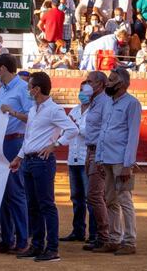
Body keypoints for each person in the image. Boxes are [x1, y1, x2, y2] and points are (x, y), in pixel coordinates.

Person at [10, 72, 78, 262]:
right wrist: (18, 157)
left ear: (37, 89)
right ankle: (37, 246)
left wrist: (55, 144)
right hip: (30, 160)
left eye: (29, 87)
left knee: (46, 205)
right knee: (33, 206)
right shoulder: (34, 109)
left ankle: (53, 249)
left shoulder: (54, 110)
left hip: (42, 162)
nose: (28, 90)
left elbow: (73, 129)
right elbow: (29, 137)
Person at [0, 54, 32, 255]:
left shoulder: (22, 88)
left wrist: (13, 113)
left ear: (3, 68)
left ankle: (22, 240)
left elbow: (33, 116)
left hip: (15, 141)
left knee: (15, 193)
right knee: (1, 194)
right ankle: (7, 239)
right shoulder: (4, 90)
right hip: (1, 142)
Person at [94, 68, 141, 255]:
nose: (108, 83)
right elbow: (103, 131)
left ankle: (129, 241)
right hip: (106, 157)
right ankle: (114, 239)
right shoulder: (108, 103)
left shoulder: (132, 104)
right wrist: (98, 157)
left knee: (124, 199)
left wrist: (128, 164)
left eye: (112, 80)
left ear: (121, 84)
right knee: (110, 199)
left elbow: (133, 136)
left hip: (121, 160)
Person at [59, 82, 97, 243]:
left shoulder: (95, 111)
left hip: (86, 158)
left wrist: (75, 128)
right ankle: (78, 231)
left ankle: (94, 234)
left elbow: (90, 133)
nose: (81, 93)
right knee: (76, 197)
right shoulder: (74, 110)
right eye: (80, 90)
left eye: (84, 90)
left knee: (91, 197)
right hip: (73, 159)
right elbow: (63, 131)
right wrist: (71, 128)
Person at [82, 71, 111, 251]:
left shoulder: (104, 102)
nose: (86, 84)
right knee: (95, 195)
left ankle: (104, 236)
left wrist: (99, 155)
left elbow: (105, 130)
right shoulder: (94, 102)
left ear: (100, 84)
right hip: (90, 151)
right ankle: (101, 236)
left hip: (98, 152)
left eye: (90, 81)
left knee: (95, 195)